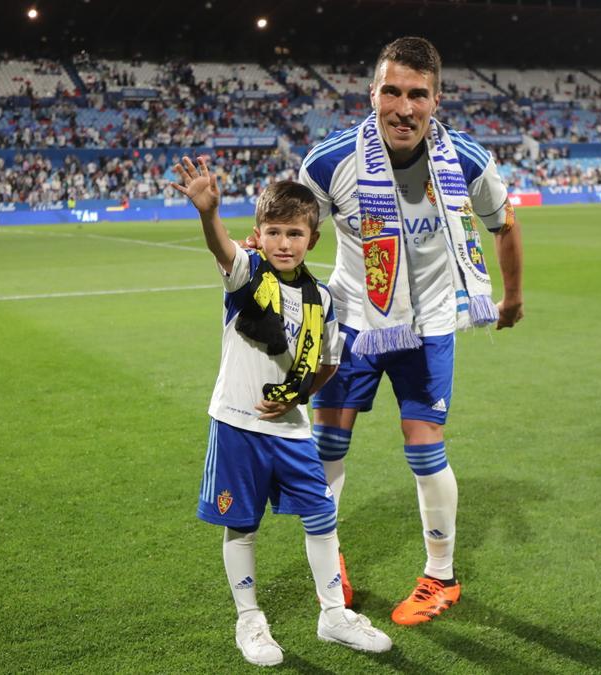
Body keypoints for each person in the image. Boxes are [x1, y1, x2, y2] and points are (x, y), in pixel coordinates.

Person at [296, 36, 525, 626]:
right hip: (351, 321)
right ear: (372, 93)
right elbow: (296, 232)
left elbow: (504, 224)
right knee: (327, 450)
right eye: (391, 91)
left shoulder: (468, 161)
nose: (404, 107)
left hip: (429, 325)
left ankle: (440, 577)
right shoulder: (328, 162)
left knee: (426, 453)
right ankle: (329, 563)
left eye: (417, 94)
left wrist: (514, 297)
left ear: (435, 99)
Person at [170, 156, 392, 667]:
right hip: (237, 423)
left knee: (321, 515)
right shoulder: (247, 274)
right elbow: (223, 250)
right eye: (274, 232)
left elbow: (329, 363)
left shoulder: (322, 298)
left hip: (292, 431)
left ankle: (333, 615)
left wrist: (298, 396)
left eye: (294, 233)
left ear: (312, 239)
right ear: (259, 234)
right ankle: (249, 620)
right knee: (242, 525)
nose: (284, 242)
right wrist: (208, 214)